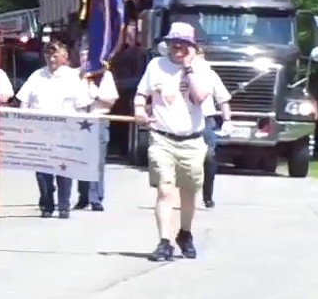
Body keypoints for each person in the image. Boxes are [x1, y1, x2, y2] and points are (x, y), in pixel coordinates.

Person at [133, 22, 216, 261]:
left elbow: (200, 98)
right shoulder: (156, 66)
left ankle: (185, 233)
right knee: (165, 191)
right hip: (162, 138)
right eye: (173, 44)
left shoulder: (202, 68)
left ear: (191, 47)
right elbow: (141, 94)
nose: (176, 49)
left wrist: (188, 69)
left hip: (192, 141)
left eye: (182, 45)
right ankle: (164, 241)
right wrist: (140, 109)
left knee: (188, 193)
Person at [14, 39, 83, 218]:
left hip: (65, 131)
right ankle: (46, 204)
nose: (51, 59)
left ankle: (64, 206)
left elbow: (81, 105)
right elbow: (24, 101)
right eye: (48, 55)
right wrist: (23, 124)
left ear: (64, 57)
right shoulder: (37, 76)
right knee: (42, 172)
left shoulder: (72, 77)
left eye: (55, 55)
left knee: (64, 171)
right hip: (41, 131)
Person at [75, 47, 119, 211]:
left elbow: (111, 101)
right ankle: (83, 197)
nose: (85, 59)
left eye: (89, 56)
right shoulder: (75, 75)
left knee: (97, 161)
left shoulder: (104, 75)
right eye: (82, 56)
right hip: (78, 120)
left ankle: (96, 198)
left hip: (98, 119)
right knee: (80, 160)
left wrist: (96, 94)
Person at [196, 48, 232, 208]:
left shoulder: (210, 75)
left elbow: (223, 99)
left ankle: (207, 196)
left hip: (206, 121)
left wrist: (227, 119)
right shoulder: (180, 73)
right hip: (184, 121)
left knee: (209, 158)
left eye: (202, 57)